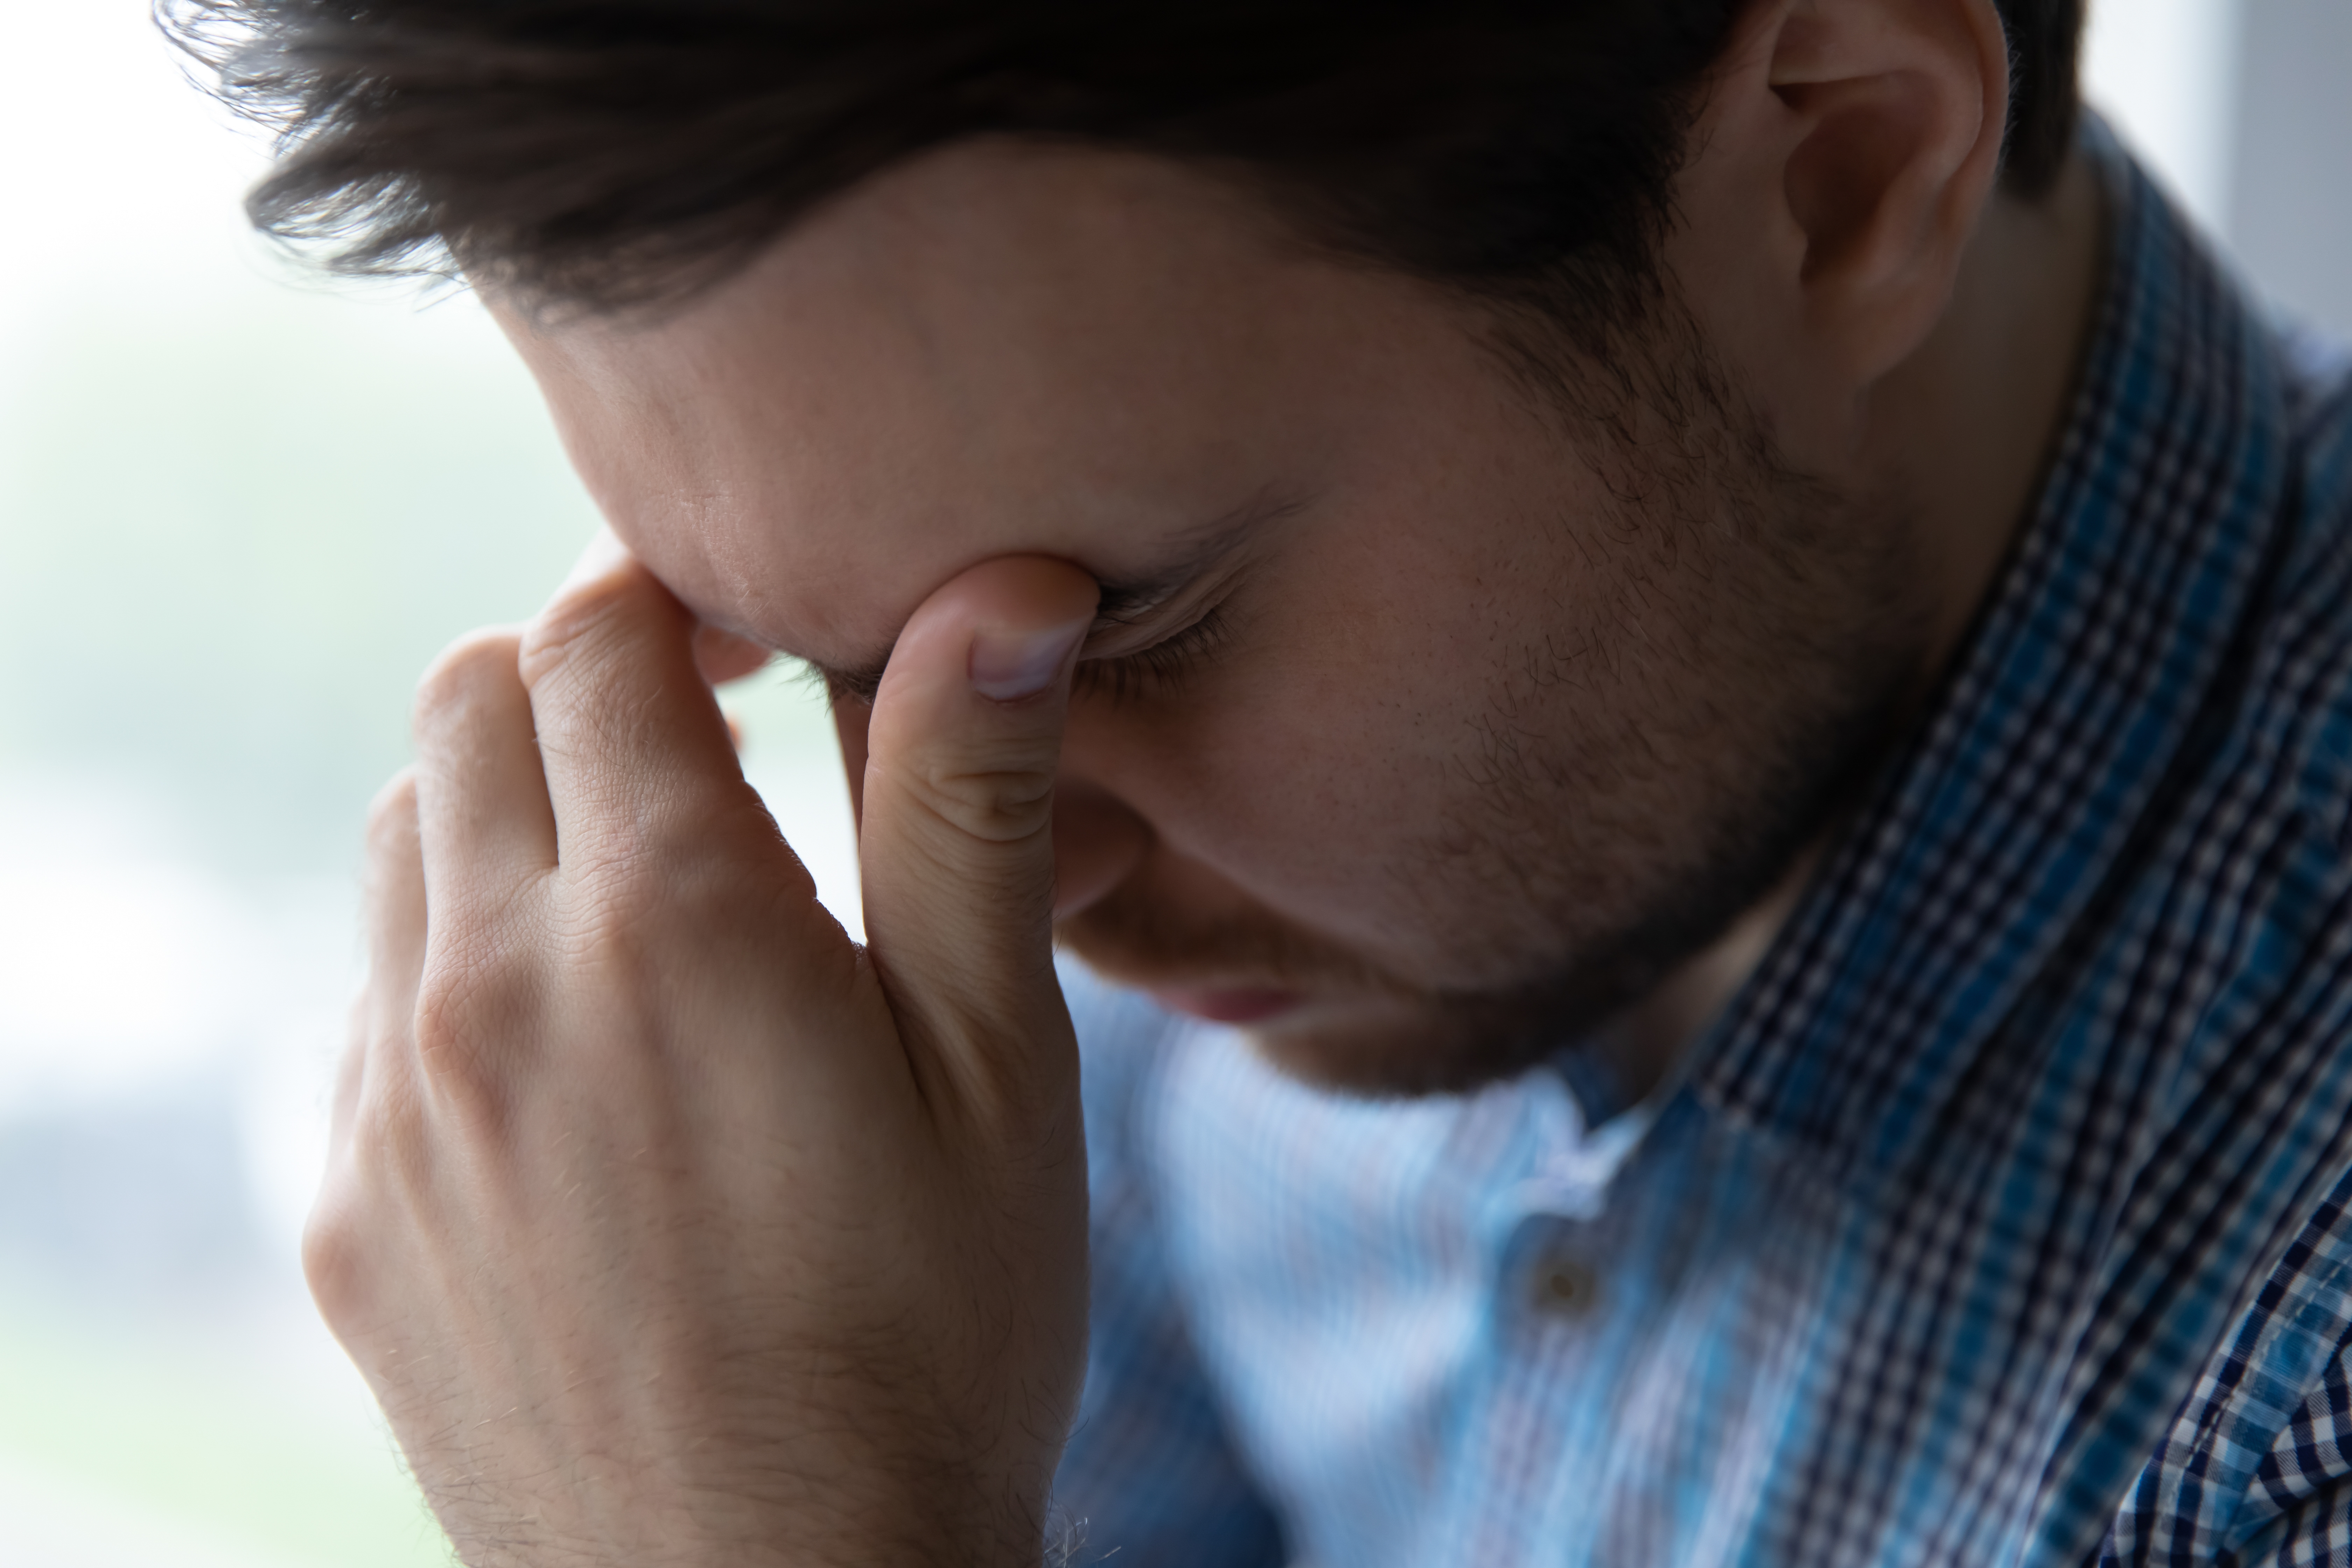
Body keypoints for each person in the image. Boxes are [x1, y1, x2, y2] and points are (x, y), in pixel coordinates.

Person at [172, 0, 2352, 1562]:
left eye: (1125, 633)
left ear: (1843, 175)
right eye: (828, 667)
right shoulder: (1297, 916)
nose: (1011, 894)